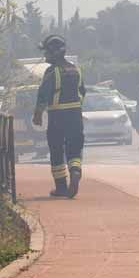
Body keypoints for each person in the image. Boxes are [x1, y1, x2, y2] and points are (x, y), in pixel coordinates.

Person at [33, 35, 86, 198]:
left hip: (57, 115)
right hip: (75, 115)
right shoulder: (76, 69)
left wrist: (38, 114)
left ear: (54, 53)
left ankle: (61, 187)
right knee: (74, 147)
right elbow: (82, 92)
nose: (45, 56)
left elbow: (43, 94)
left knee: (56, 149)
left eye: (46, 52)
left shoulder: (51, 72)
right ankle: (75, 171)